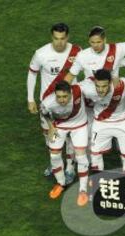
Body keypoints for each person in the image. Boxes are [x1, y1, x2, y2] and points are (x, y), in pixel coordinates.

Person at [27, 22, 81, 181]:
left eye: (63, 38)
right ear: (52, 37)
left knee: (71, 136)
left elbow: (89, 70)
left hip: (70, 103)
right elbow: (32, 74)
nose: (59, 42)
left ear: (67, 37)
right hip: (48, 104)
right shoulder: (41, 53)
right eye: (56, 38)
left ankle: (70, 167)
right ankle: (55, 163)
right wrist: (30, 99)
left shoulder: (77, 52)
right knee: (48, 133)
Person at [40, 81, 89, 207]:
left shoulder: (79, 90)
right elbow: (44, 112)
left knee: (81, 156)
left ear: (71, 93)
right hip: (59, 128)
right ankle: (61, 183)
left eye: (65, 96)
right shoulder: (48, 102)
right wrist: (51, 126)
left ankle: (83, 190)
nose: (61, 100)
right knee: (54, 156)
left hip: (79, 127)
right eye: (59, 97)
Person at [79, 69, 125, 173]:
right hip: (101, 123)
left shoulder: (123, 85)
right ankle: (97, 180)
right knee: (95, 154)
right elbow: (69, 90)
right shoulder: (87, 87)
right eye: (97, 86)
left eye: (104, 86)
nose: (100, 90)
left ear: (110, 83)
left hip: (123, 122)